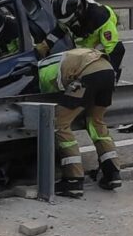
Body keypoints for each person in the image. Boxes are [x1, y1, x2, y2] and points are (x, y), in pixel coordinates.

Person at [36, 46, 120, 198]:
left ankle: (73, 180)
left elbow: (51, 97)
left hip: (88, 75)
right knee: (95, 121)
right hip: (108, 70)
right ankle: (112, 173)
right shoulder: (54, 60)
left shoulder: (42, 72)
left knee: (59, 122)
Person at [39, 0, 126, 74]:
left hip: (99, 41)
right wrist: (44, 45)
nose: (67, 24)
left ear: (79, 12)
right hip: (83, 38)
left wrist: (111, 74)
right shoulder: (68, 15)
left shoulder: (101, 18)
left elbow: (115, 50)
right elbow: (59, 30)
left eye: (69, 21)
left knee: (106, 61)